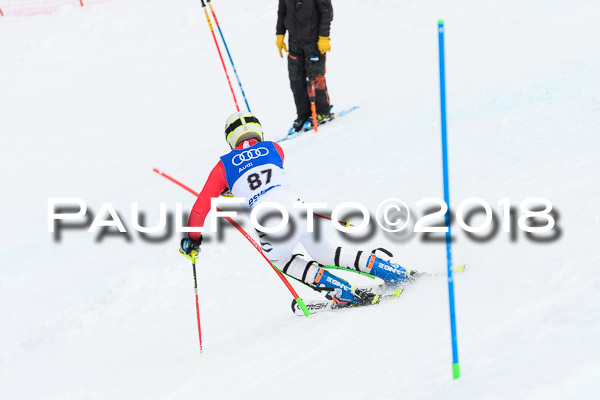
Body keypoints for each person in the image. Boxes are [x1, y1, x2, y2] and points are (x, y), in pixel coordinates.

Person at [181, 112, 420, 306]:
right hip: (298, 210)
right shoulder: (275, 148)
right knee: (327, 253)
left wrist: (193, 240)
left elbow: (200, 209)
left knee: (283, 260)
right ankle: (392, 271)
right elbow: (262, 174)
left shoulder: (223, 166)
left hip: (270, 223)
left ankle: (343, 292)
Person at [275, 0, 334, 134]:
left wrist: (324, 36)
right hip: (294, 41)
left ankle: (322, 111)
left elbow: (326, 12)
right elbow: (282, 11)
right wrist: (280, 34)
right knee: (295, 79)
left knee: (315, 78)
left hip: (314, 40)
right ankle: (303, 114)